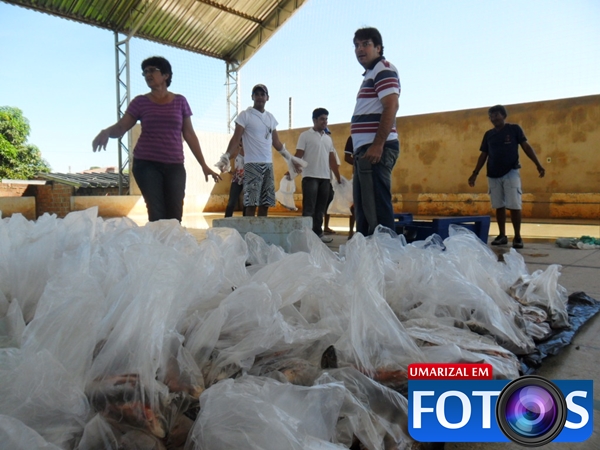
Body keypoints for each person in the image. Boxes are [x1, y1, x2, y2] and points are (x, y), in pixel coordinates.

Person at [92, 56, 221, 222]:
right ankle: (157, 247)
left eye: (152, 70)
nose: (147, 74)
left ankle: (171, 247)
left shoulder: (180, 101)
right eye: (145, 72)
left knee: (174, 216)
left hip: (174, 166)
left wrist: (203, 164)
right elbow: (121, 127)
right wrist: (107, 131)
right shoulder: (140, 102)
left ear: (166, 75)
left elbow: (189, 134)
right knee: (157, 213)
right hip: (146, 164)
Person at [219, 84, 303, 217]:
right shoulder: (245, 116)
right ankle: (248, 236)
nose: (259, 97)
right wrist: (226, 156)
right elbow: (236, 139)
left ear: (267, 98)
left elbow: (277, 143)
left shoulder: (271, 118)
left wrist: (291, 159)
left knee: (265, 204)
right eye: (256, 94)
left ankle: (260, 236)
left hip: (268, 166)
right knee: (251, 204)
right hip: (252, 165)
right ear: (252, 97)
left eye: (262, 94)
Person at [468, 105, 545, 249]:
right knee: (499, 206)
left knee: (515, 205)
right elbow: (483, 155)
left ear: (503, 115)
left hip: (511, 172)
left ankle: (517, 237)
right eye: (490, 116)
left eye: (496, 115)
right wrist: (475, 173)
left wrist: (538, 164)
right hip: (493, 174)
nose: (493, 118)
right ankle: (502, 235)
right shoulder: (488, 135)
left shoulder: (514, 129)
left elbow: (526, 147)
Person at [350, 27, 400, 236]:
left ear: (378, 48)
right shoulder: (371, 73)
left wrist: (378, 144)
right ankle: (369, 260)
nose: (360, 49)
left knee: (376, 211)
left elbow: (391, 106)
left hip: (376, 149)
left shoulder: (383, 69)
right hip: (366, 150)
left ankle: (386, 258)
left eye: (366, 44)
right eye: (357, 45)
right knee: (365, 210)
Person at [294, 108, 341, 242]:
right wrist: (291, 171)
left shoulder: (328, 139)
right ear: (314, 120)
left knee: (321, 208)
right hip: (310, 177)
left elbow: (332, 159)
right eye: (322, 119)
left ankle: (318, 234)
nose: (324, 122)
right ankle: (306, 236)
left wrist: (337, 177)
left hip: (325, 178)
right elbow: (299, 154)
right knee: (309, 208)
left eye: (326, 119)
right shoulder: (305, 136)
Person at [224, 145, 245, 218]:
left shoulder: (251, 151)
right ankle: (226, 220)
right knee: (232, 201)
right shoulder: (236, 151)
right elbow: (225, 160)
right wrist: (230, 171)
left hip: (248, 180)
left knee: (247, 203)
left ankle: (246, 222)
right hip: (237, 179)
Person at [343, 136, 356, 239]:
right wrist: (360, 163)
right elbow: (347, 157)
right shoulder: (353, 138)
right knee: (355, 205)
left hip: (375, 175)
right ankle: (351, 232)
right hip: (358, 175)